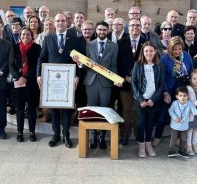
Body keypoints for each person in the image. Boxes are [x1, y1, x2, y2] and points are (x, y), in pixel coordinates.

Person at [37, 13, 84, 148]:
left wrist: (78, 76)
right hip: (52, 81)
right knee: (55, 110)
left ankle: (66, 135)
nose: (60, 23)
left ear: (67, 23)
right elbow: (42, 58)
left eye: (63, 21)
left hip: (68, 82)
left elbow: (80, 61)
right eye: (58, 21)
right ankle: (56, 135)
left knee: (67, 110)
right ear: (54, 23)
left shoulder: (75, 39)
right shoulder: (48, 38)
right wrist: (39, 75)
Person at [73, 21, 120, 150]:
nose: (102, 32)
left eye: (104, 30)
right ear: (96, 31)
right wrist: (80, 63)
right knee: (93, 109)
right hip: (91, 81)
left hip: (106, 83)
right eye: (99, 30)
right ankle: (93, 136)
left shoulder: (114, 46)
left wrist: (115, 79)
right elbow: (86, 64)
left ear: (108, 31)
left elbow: (114, 65)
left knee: (104, 109)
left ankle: (102, 136)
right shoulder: (89, 45)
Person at [153, 36, 192, 146]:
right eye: (175, 49)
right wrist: (165, 92)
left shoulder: (187, 56)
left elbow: (191, 71)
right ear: (170, 48)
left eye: (179, 49)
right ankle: (157, 136)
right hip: (169, 89)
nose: (177, 51)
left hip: (183, 90)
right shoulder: (165, 59)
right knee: (163, 114)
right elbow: (162, 77)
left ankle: (180, 138)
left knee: (182, 115)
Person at [131, 42, 167, 157]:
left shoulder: (159, 65)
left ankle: (148, 144)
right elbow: (134, 82)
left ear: (155, 51)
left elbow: (161, 84)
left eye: (151, 50)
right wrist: (140, 99)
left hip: (153, 100)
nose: (149, 53)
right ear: (143, 52)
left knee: (150, 123)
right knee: (141, 122)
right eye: (146, 51)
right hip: (141, 100)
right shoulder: (138, 64)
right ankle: (141, 145)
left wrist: (154, 99)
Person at [117, 17, 147, 147]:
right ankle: (125, 135)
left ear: (141, 27)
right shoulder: (120, 42)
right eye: (132, 25)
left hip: (141, 83)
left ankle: (139, 135)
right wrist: (125, 76)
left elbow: (148, 62)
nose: (135, 27)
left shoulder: (146, 42)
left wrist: (137, 78)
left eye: (137, 25)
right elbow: (117, 63)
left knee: (138, 110)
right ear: (128, 28)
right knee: (127, 110)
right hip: (125, 82)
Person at [11, 26, 41, 142]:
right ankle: (20, 132)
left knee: (32, 108)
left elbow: (37, 65)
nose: (25, 36)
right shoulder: (14, 48)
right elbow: (11, 65)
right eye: (23, 34)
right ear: (20, 36)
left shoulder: (37, 48)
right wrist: (19, 77)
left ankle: (32, 131)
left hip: (31, 83)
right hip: (18, 83)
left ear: (31, 36)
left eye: (28, 34)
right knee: (19, 108)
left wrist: (26, 77)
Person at [168, 86, 197, 159]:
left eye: (184, 96)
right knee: (173, 139)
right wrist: (175, 118)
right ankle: (171, 151)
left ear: (187, 96)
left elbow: (195, 112)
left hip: (184, 127)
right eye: (180, 95)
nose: (182, 97)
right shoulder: (175, 103)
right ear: (177, 96)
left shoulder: (189, 104)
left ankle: (182, 151)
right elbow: (170, 111)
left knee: (184, 140)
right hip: (175, 126)